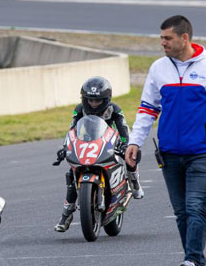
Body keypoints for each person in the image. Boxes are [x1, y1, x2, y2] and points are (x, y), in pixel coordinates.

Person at [125, 15, 206, 266]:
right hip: (169, 152)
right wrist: (134, 142)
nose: (162, 43)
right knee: (181, 212)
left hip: (202, 151)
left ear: (184, 38)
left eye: (167, 38)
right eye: (161, 38)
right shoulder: (158, 69)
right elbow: (147, 109)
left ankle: (193, 261)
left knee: (194, 206)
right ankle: (194, 264)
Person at [54, 76, 143, 233]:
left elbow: (123, 128)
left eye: (98, 101)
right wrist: (64, 147)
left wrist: (125, 145)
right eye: (90, 100)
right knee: (72, 172)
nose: (93, 104)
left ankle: (135, 183)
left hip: (111, 141)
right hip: (88, 142)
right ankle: (66, 214)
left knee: (131, 156)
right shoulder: (79, 109)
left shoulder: (114, 109)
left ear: (106, 99)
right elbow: (72, 130)